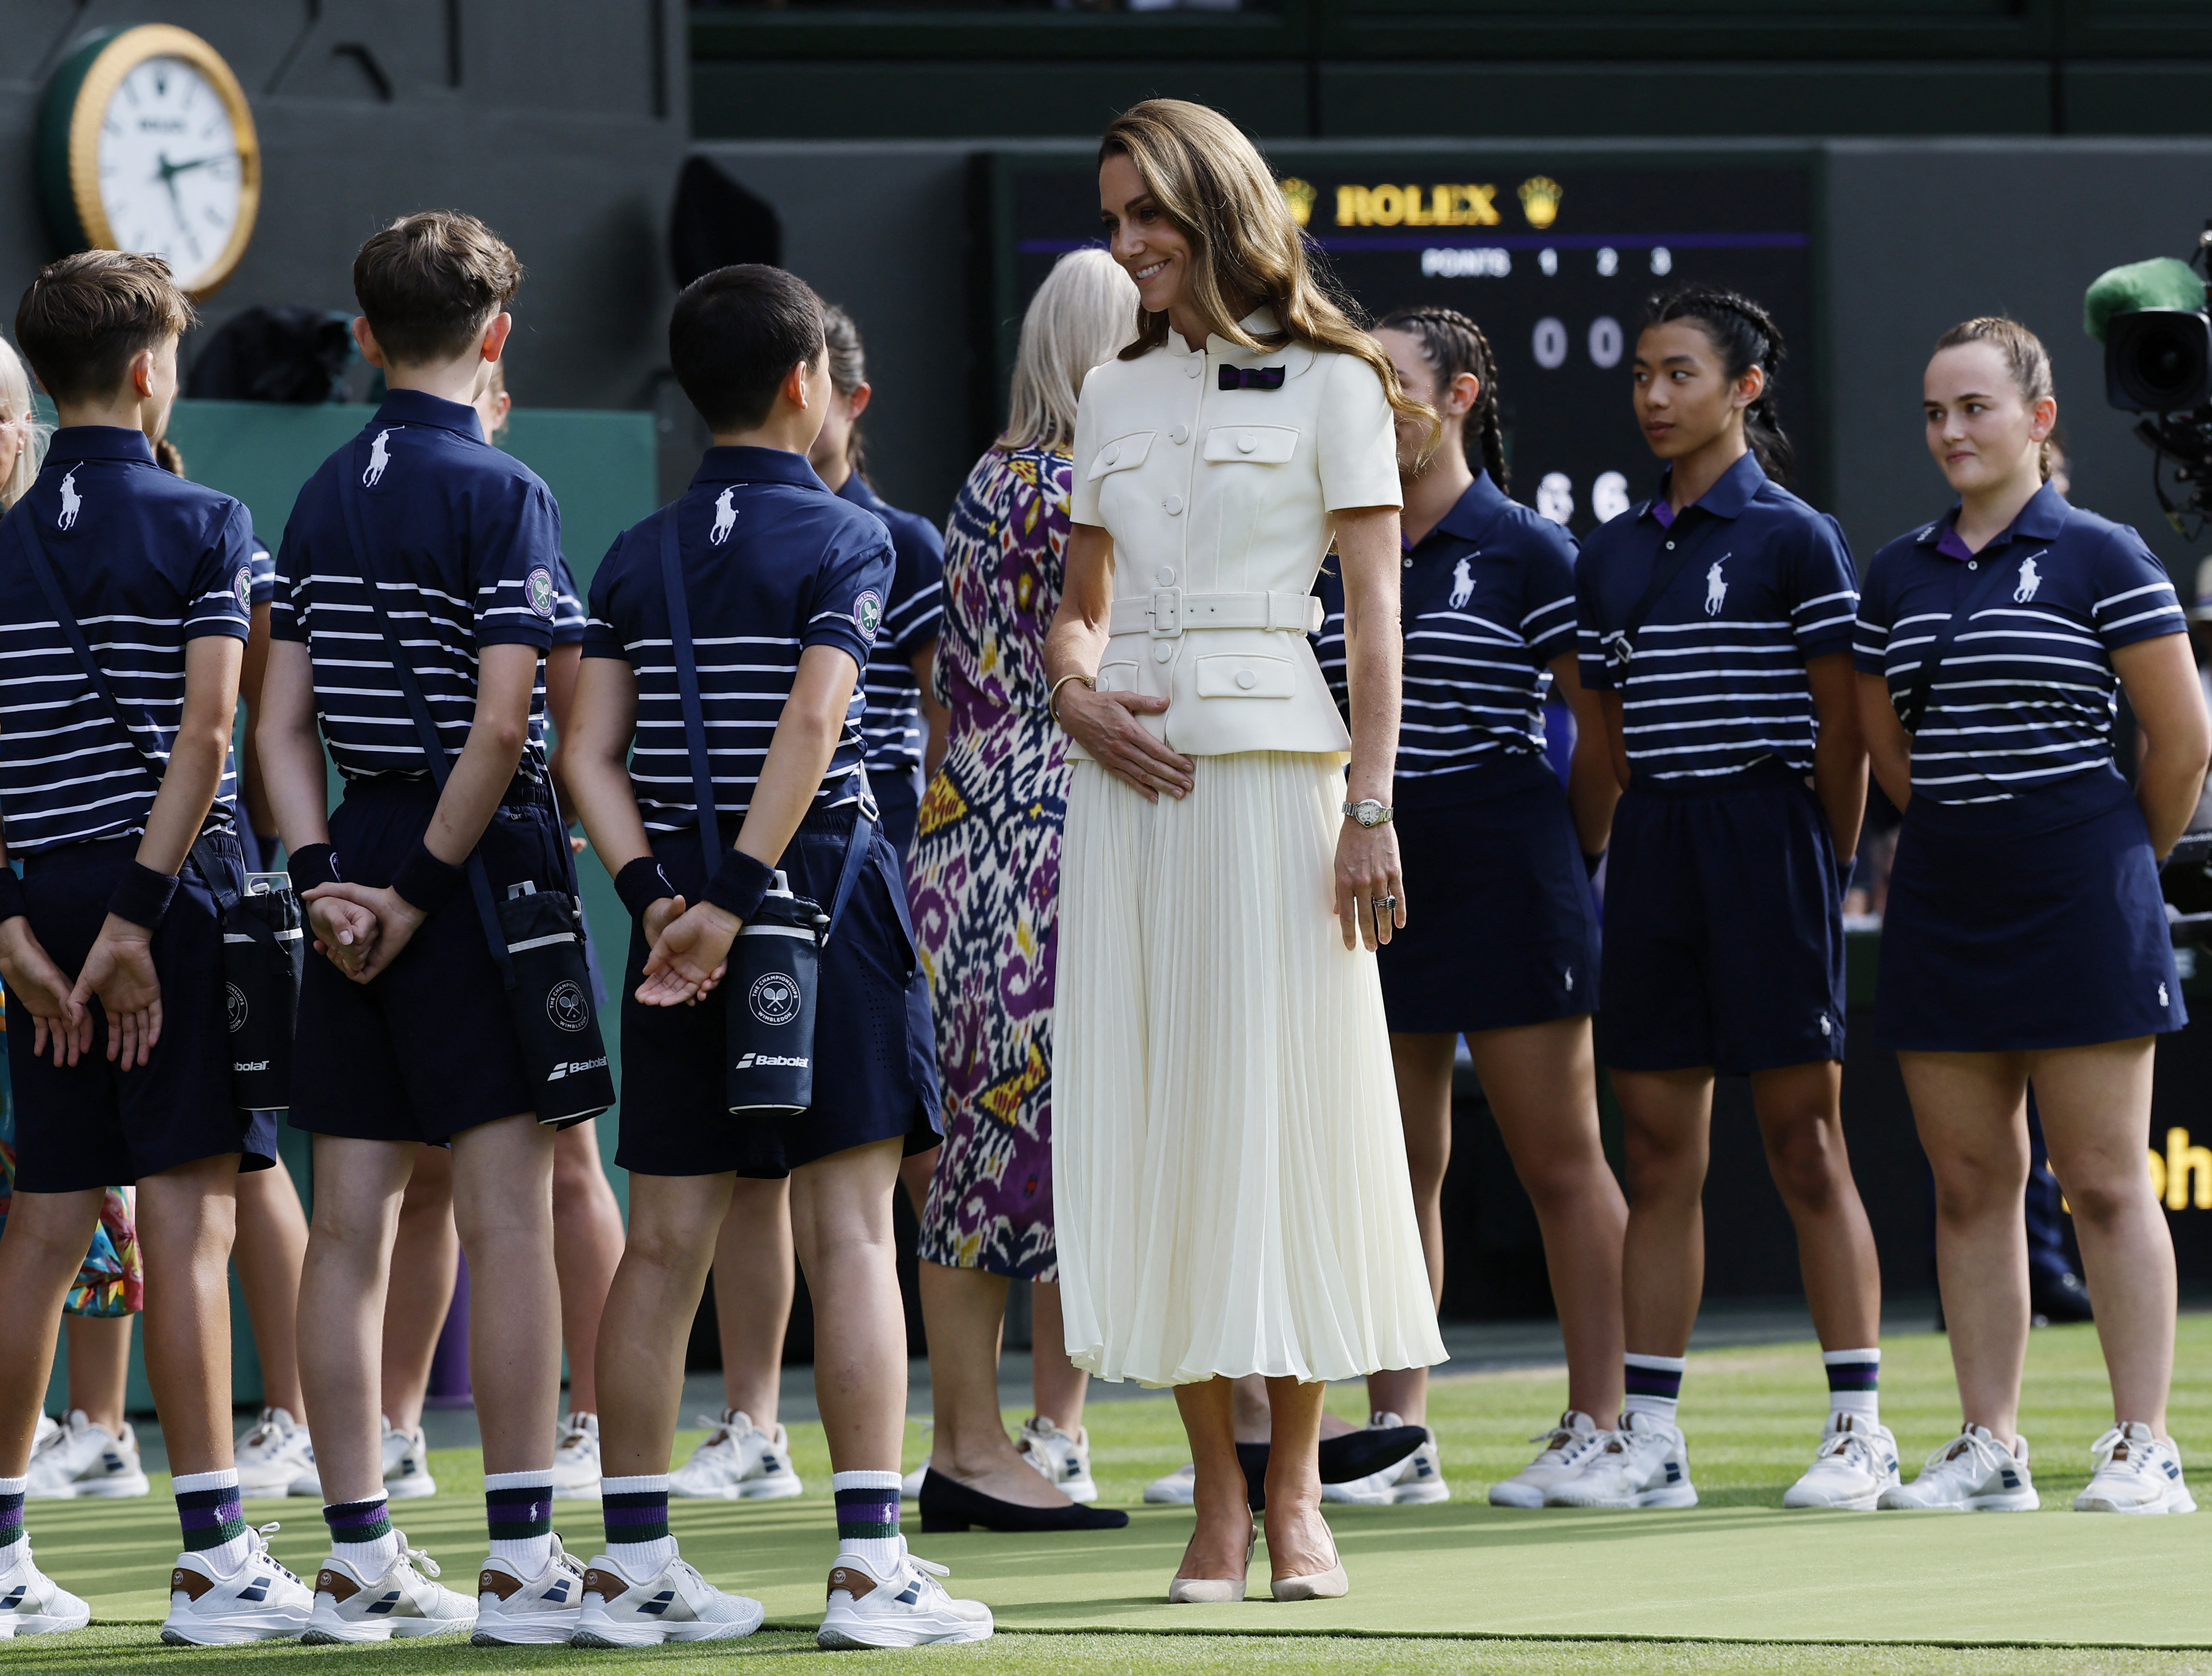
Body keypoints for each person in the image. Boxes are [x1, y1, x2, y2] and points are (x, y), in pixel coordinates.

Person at [1044, 99, 1445, 1604]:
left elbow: (1376, 611)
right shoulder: (1108, 388)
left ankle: (1296, 1492)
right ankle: (1216, 1495)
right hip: (1131, 790)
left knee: (1286, 1126)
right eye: (1113, 217)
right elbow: (1078, 606)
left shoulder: (1339, 381)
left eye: (1148, 212)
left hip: (1284, 786)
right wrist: (1074, 690)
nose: (1127, 242)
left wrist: (1369, 808)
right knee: (1163, 1124)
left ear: (1217, 210)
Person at [561, 262, 988, 1649]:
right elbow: (816, 725)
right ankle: (867, 1568)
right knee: (852, 1227)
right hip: (821, 901)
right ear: (807, 385)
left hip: (678, 919)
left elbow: (585, 754)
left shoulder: (635, 552)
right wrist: (740, 897)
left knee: (662, 1239)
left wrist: (663, 902)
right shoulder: (850, 537)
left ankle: (632, 1566)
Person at [260, 211, 577, 1644]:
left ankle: (355, 1558)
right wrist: (421, 891)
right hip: (472, 865)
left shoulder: (320, 491)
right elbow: (505, 725)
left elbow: (278, 727)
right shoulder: (506, 488)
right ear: (495, 335)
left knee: (347, 1224)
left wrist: (324, 876)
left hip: (357, 857)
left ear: (365, 334)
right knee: (509, 1216)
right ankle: (518, 1559)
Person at [0, 250, 311, 1643]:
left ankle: (4, 1556)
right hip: (169, 903)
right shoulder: (209, 520)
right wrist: (134, 922)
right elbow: (211, 734)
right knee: (192, 1218)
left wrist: (13, 930)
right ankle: (214, 1560)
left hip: (42, 906)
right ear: (146, 370)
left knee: (46, 1221)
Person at [1856, 317, 2207, 1513]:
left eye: (1974, 407)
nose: (1949, 430)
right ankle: (1987, 1445)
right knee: (1968, 1181)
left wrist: (2111, 860)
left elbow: (2180, 744)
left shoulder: (2103, 553)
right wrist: (1975, 838)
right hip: (1943, 897)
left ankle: (2144, 1444)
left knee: (2103, 1182)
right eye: (1933, 411)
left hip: (2082, 893)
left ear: (2037, 418)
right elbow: (1889, 752)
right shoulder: (1896, 571)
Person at [1550, 285, 1888, 1513]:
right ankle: (1649, 1439)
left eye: (1679, 373)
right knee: (1654, 1153)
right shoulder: (1606, 554)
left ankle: (1857, 1428)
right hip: (1654, 849)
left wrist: (1817, 858)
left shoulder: (1797, 536)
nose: (1652, 396)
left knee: (1804, 1142)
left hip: (1768, 839)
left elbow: (1843, 728)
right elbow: (1604, 739)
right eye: (1641, 374)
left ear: (1744, 388)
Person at [1314, 306, 1627, 1509]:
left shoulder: (1528, 548)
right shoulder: (1330, 545)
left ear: (1459, 396)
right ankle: (1398, 1439)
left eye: (1392, 381)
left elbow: (1597, 738)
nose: (1370, 404)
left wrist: (1566, 850)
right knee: (1393, 1165)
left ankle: (1604, 1426)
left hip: (1508, 863)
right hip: (1372, 872)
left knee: (1558, 1159)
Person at [901, 249, 1137, 1532]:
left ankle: (992, 1440)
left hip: (967, 823)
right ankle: (982, 1445)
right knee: (1011, 1140)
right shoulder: (1075, 488)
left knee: (988, 1139)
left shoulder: (987, 481)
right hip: (1046, 826)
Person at [149, 434, 318, 1500]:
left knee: (248, 1161)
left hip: (209, 874)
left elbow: (252, 714)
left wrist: (256, 839)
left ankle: (298, 1416)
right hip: (127, 873)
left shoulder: (215, 535)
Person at [473, 363, 626, 1501]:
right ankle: (388, 1426)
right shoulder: (420, 505)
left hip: (520, 888)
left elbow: (574, 728)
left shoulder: (524, 524)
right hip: (466, 882)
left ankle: (596, 1415)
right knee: (414, 1179)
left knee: (568, 1156)